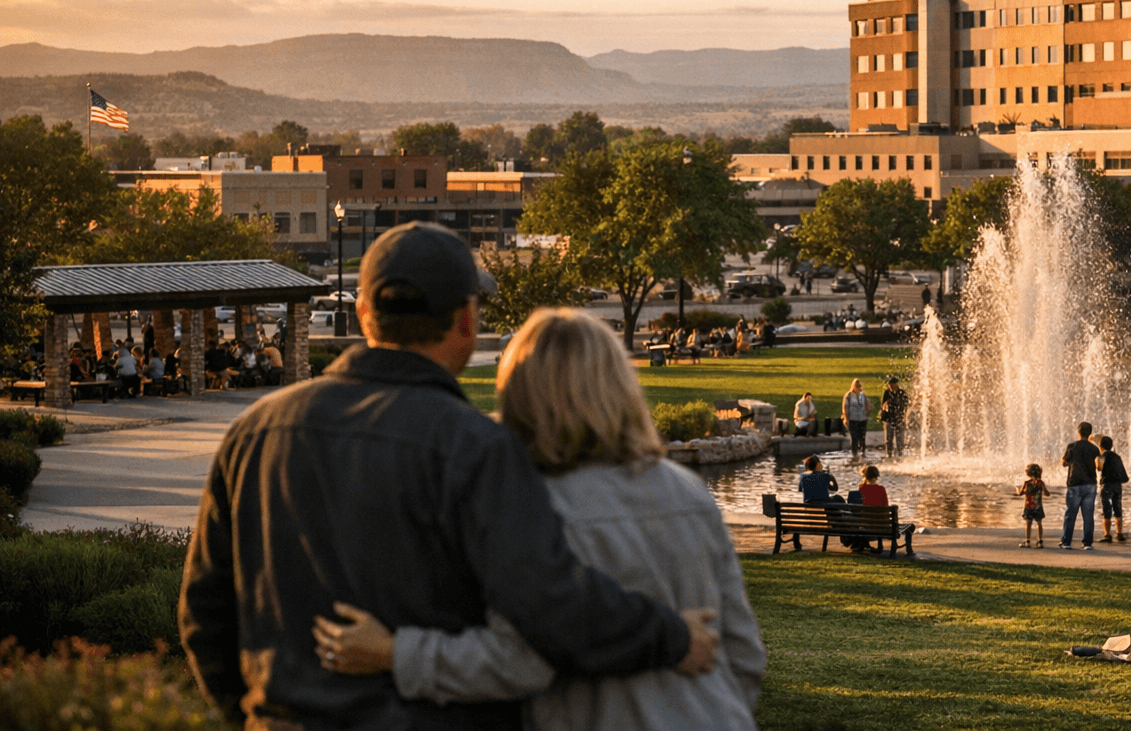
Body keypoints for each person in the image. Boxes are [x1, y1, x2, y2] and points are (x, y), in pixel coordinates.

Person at [179, 222, 716, 730]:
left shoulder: (255, 433)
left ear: (365, 313)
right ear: (466, 320)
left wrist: (254, 714)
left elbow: (205, 615)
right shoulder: (474, 448)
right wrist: (670, 635)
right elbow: (550, 604)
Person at [313, 308, 766, 731]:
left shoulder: (530, 502)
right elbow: (744, 653)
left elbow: (520, 662)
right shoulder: (685, 488)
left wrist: (398, 654)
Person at [1059, 421, 1100, 550]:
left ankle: (1067, 542)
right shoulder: (1094, 448)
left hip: (1075, 483)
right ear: (1089, 434)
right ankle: (1087, 543)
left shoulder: (1072, 446)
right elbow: (1098, 465)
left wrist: (1064, 457)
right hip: (1090, 484)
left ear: (1078, 432)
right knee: (1088, 515)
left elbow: (1064, 463)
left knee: (1071, 514)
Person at [1097, 435, 1130, 544]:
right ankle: (1119, 533)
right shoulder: (1117, 456)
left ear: (1100, 446)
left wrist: (1097, 458)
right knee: (1118, 508)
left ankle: (1107, 535)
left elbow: (1098, 468)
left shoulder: (1102, 456)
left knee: (1106, 510)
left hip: (1107, 485)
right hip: (1117, 485)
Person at [1014, 463, 1050, 549]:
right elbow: (1047, 493)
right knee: (1039, 523)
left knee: (1028, 524)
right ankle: (1040, 541)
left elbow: (1020, 493)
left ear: (1028, 473)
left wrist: (1016, 489)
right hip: (1038, 507)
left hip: (1028, 507)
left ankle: (1027, 541)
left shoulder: (1027, 483)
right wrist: (1045, 491)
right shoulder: (1041, 483)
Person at [880, 376, 908, 457]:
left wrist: (903, 416)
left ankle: (900, 452)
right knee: (889, 438)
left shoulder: (902, 393)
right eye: (890, 384)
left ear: (896, 384)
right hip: (889, 418)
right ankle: (889, 453)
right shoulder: (887, 393)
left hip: (899, 418)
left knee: (900, 438)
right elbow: (883, 405)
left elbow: (906, 405)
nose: (891, 386)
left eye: (893, 384)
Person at [842, 379, 870, 457]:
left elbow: (867, 404)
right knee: (854, 438)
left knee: (862, 438)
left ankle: (863, 453)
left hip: (862, 419)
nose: (858, 387)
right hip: (853, 419)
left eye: (859, 385)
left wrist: (867, 413)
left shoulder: (863, 394)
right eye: (856, 386)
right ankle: (855, 454)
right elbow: (845, 407)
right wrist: (846, 418)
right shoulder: (849, 395)